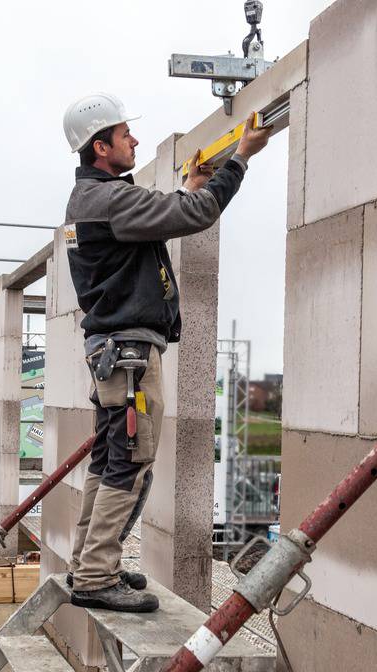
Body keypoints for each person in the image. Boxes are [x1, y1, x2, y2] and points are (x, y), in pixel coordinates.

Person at [60, 92, 271, 613]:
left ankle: (88, 565)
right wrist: (241, 156)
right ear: (100, 146)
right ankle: (95, 575)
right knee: (130, 461)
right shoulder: (107, 201)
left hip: (116, 352)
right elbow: (196, 213)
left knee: (111, 457)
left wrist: (187, 186)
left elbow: (162, 214)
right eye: (125, 133)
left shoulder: (93, 201)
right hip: (128, 355)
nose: (133, 139)